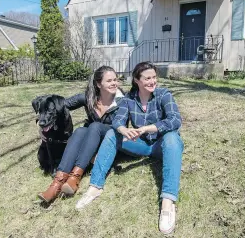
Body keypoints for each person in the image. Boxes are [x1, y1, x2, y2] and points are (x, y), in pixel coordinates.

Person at [76, 62, 184, 235]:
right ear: (136, 80)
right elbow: (118, 120)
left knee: (172, 137)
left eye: (154, 77)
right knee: (112, 133)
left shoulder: (164, 94)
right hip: (141, 145)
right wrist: (123, 129)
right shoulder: (128, 99)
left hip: (163, 145)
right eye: (147, 78)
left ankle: (167, 202)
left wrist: (150, 128)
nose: (152, 81)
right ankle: (95, 186)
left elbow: (175, 120)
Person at [38, 66, 124, 203]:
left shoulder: (122, 101)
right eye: (109, 81)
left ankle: (75, 177)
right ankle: (57, 183)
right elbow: (60, 106)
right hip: (91, 139)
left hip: (111, 139)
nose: (114, 83)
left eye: (115, 80)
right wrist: (43, 125)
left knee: (94, 126)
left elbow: (123, 127)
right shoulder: (88, 97)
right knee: (80, 131)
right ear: (98, 84)